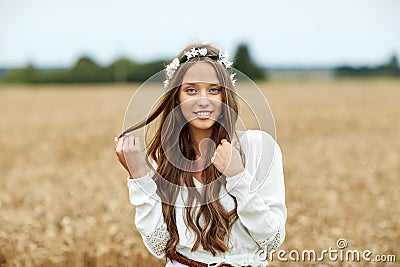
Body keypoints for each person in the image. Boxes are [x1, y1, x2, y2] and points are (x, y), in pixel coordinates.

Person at [115, 44, 287, 267]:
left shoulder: (259, 146)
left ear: (226, 96)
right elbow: (159, 245)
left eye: (214, 90)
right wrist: (139, 176)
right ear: (176, 97)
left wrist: (237, 177)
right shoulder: (163, 159)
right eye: (191, 90)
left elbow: (272, 240)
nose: (203, 100)